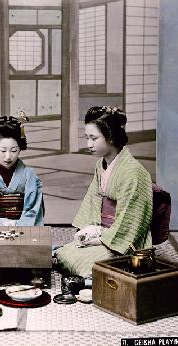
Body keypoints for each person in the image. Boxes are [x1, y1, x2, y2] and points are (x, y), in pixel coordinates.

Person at [55, 106, 153, 277]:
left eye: (93, 138)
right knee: (63, 253)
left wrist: (103, 239)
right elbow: (93, 200)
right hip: (102, 231)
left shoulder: (133, 173)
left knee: (77, 262)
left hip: (124, 240)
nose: (88, 144)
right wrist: (92, 230)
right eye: (87, 138)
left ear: (111, 138)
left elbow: (131, 220)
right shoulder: (101, 165)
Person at [0, 115, 44, 226]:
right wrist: (4, 223)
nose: (8, 157)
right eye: (3, 151)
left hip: (25, 226)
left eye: (13, 150)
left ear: (20, 149)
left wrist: (18, 225)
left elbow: (32, 210)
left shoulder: (29, 175)